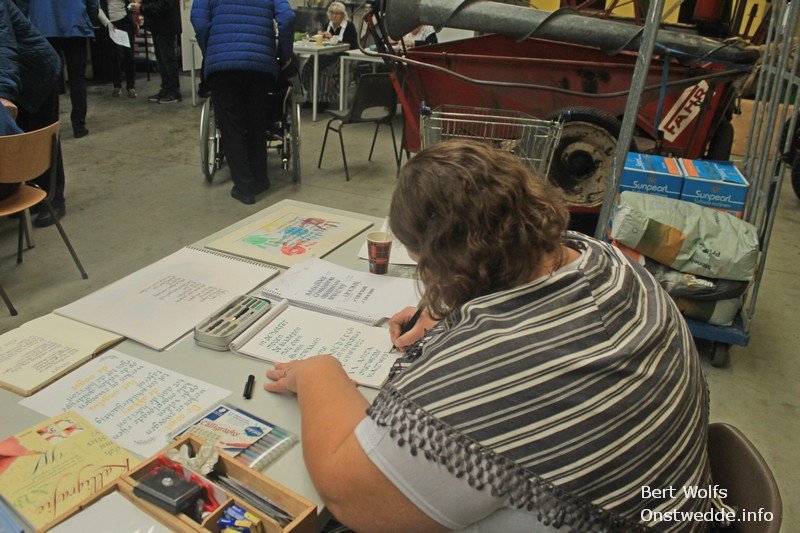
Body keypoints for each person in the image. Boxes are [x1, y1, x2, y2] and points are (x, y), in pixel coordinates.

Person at [264, 140, 721, 531]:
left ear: (440, 263)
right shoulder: (607, 261)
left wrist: (319, 373)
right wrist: (455, 311)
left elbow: (349, 496)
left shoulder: (494, 372)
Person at [190, 0, 295, 205]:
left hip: (224, 67)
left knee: (232, 126)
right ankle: (260, 180)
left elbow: (199, 22)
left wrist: (210, 49)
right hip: (260, 65)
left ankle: (244, 188)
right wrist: (285, 55)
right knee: (257, 123)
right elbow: (287, 17)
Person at [0, 0, 68, 225]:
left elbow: (3, 47)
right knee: (21, 139)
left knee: (42, 141)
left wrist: (3, 93)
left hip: (36, 73)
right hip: (15, 79)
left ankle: (54, 200)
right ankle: (31, 197)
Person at [17, 0, 97, 138]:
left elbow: (22, 6)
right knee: (77, 79)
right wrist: (88, 18)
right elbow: (93, 4)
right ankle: (78, 126)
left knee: (48, 81)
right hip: (75, 25)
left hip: (44, 26)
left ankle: (48, 127)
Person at [299, 1, 357, 110]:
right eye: (332, 13)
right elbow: (322, 42)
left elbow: (352, 45)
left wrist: (333, 39)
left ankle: (324, 100)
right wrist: (320, 36)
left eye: (337, 13)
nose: (334, 16)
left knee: (325, 70)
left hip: (344, 56)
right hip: (327, 55)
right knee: (311, 64)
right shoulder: (328, 25)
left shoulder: (349, 27)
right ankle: (311, 98)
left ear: (343, 15)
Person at [130, 0, 182, 103]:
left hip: (166, 25)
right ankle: (166, 89)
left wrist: (142, 8)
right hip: (157, 25)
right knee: (161, 60)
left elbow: (165, 4)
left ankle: (174, 92)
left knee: (168, 59)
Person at [97, 0, 137, 98]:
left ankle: (131, 86)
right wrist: (107, 23)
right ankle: (117, 86)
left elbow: (132, 2)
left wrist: (133, 6)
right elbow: (97, 7)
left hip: (125, 20)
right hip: (109, 22)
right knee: (113, 55)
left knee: (129, 55)